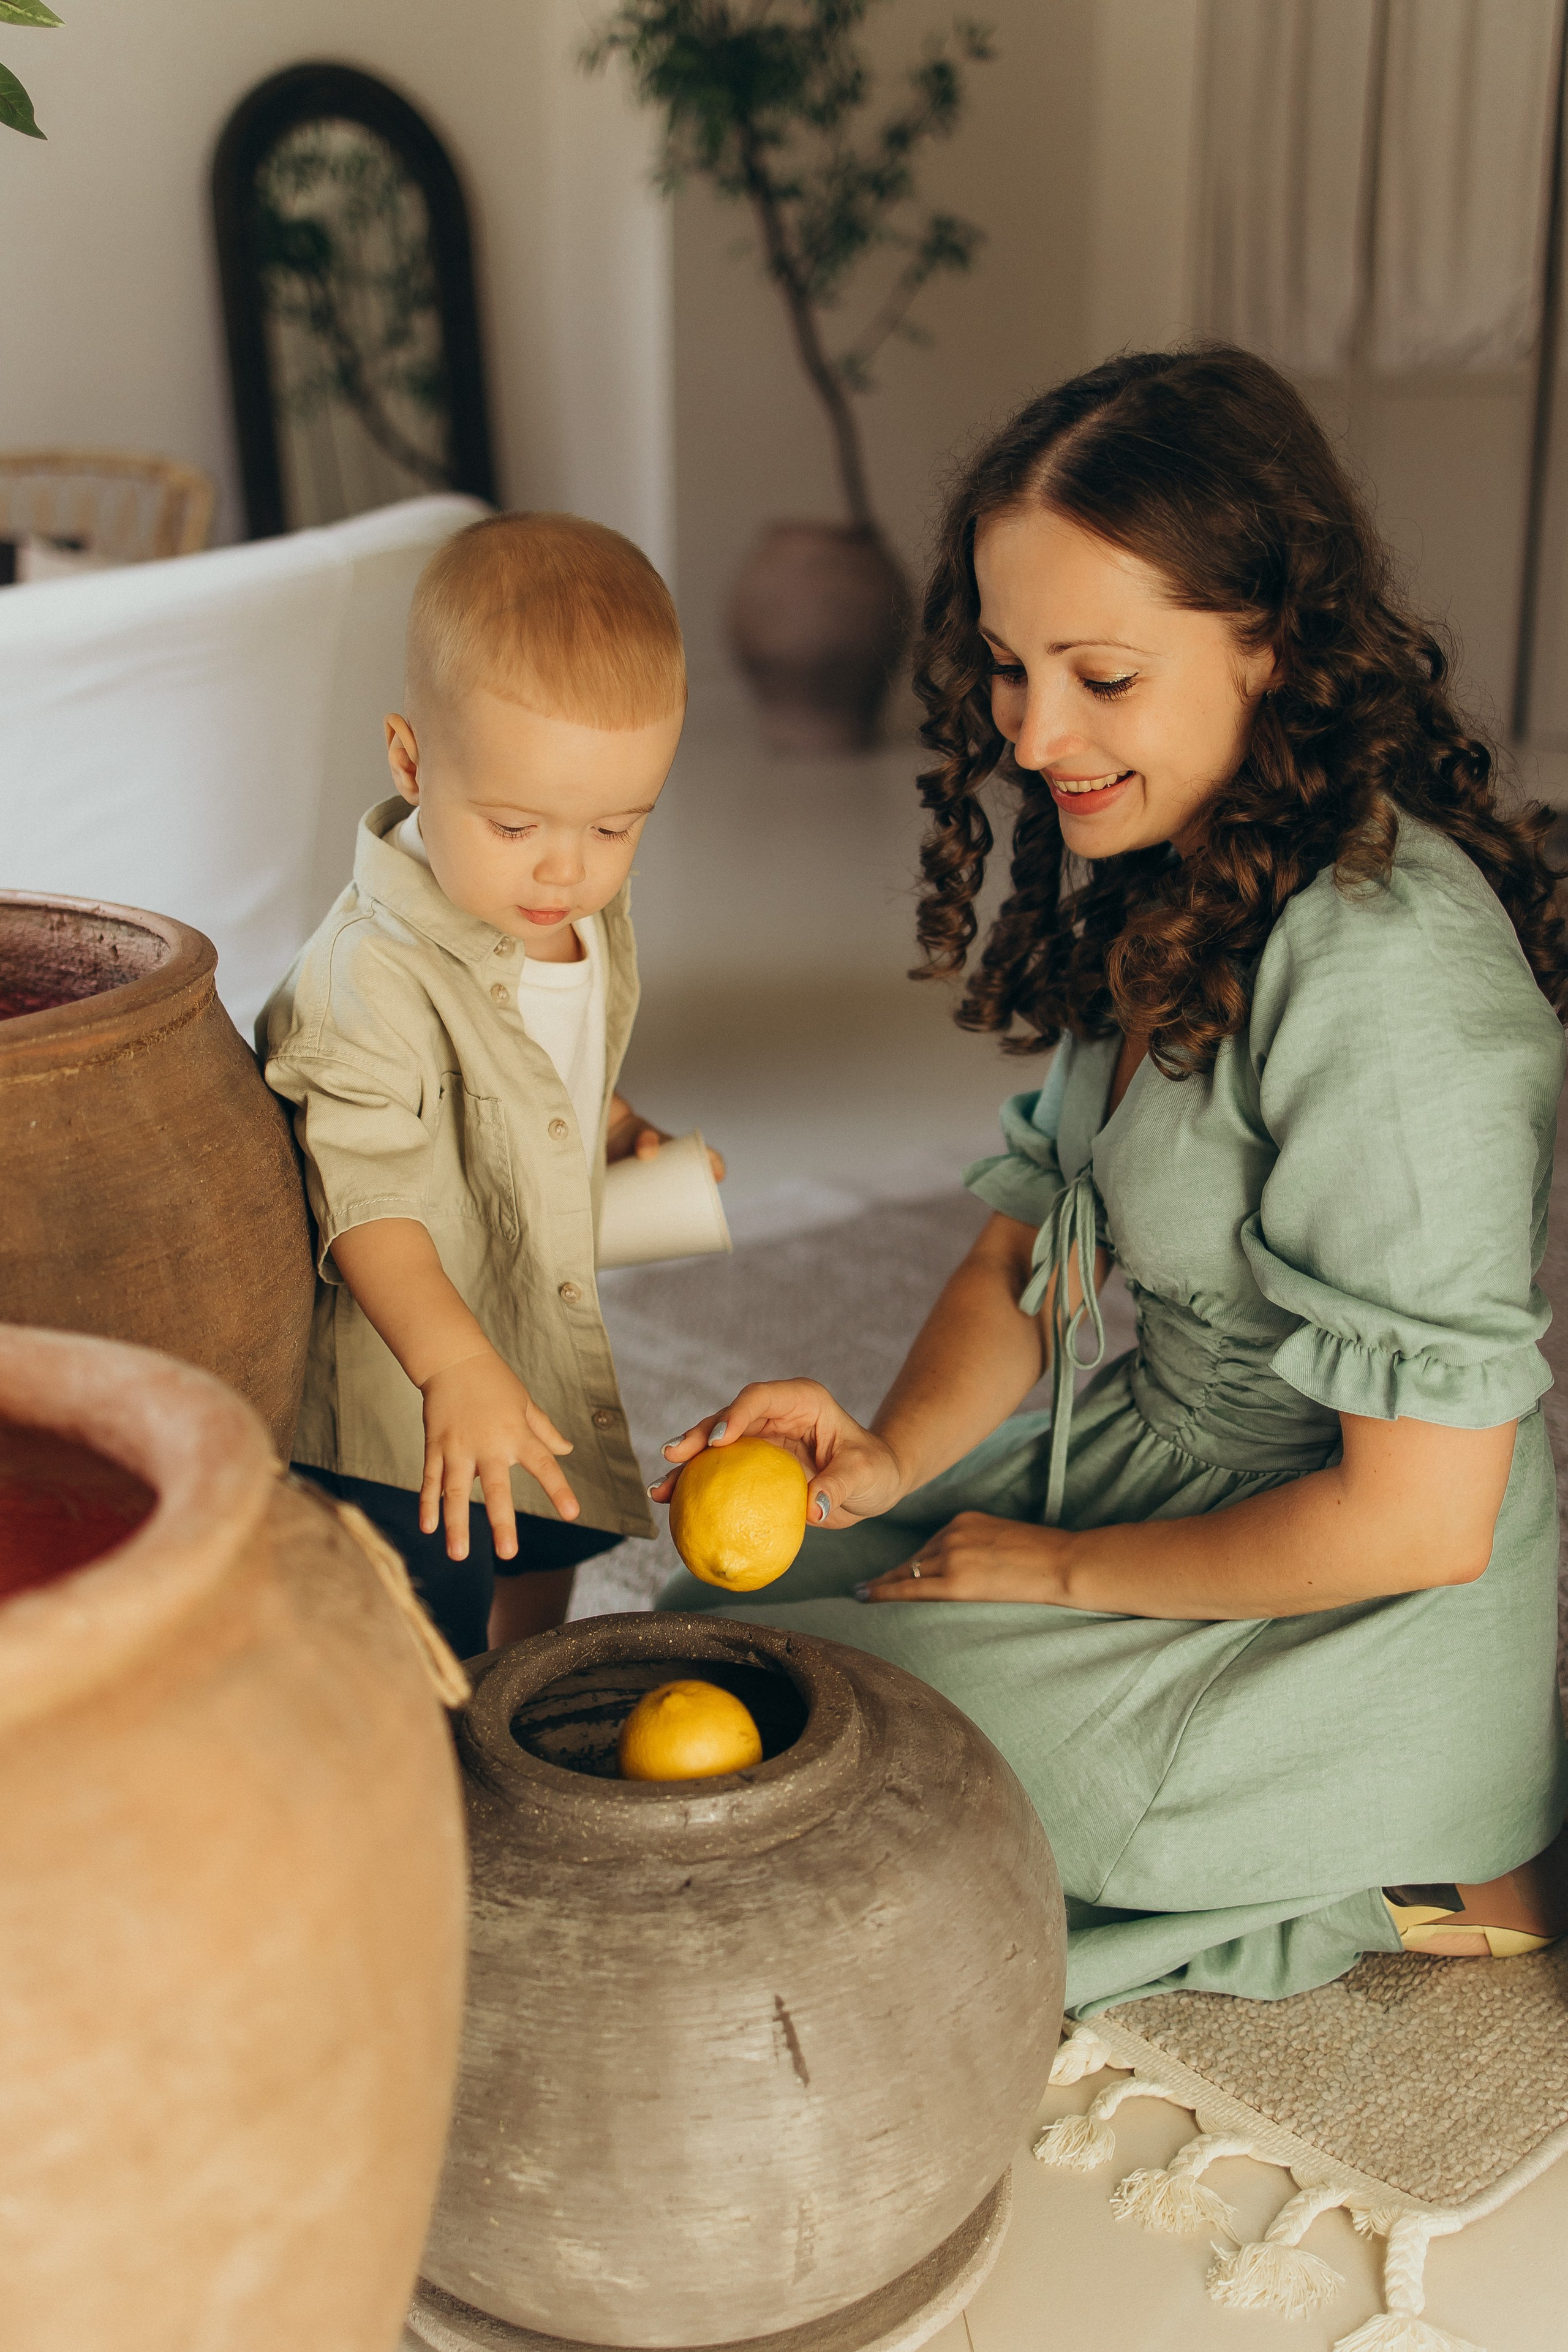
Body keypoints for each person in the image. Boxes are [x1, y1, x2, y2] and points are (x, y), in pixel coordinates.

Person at [652, 348, 1568, 2016]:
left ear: (1275, 643)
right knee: (734, 1606)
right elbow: (1020, 1254)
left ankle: (1415, 1849)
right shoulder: (1184, 875)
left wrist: (1056, 1570)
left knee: (836, 1727)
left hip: (1346, 1608)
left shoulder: (1389, 981)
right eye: (1009, 668)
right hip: (1185, 1479)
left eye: (1100, 675)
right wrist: (881, 1460)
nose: (1035, 734)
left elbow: (1422, 1519)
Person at [263, 512, 719, 1659]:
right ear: (412, 760)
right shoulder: (367, 977)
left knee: (541, 1546)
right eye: (515, 823)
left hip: (523, 1319)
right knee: (425, 1620)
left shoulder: (574, 912)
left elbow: (551, 1072)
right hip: (403, 1376)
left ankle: (527, 1708)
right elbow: (372, 1199)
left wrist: (618, 1131)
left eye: (617, 825)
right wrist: (452, 1366)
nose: (565, 867)